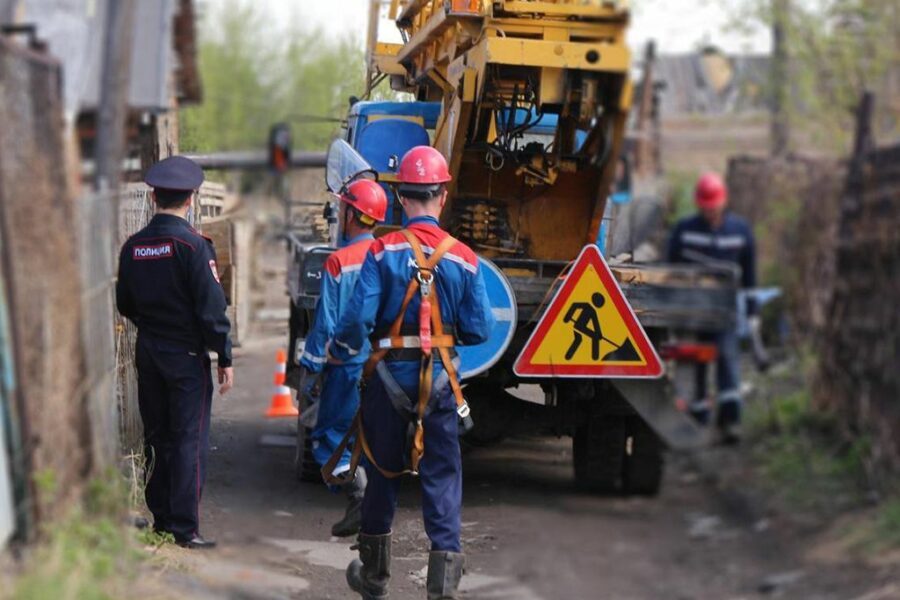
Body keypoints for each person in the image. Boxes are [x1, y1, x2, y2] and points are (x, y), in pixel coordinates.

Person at [327, 146, 494, 599]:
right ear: (442, 195)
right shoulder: (464, 259)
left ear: (401, 198)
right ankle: (441, 588)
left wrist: (341, 354)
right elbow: (479, 330)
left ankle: (376, 579)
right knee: (443, 476)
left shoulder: (381, 253)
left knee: (382, 471)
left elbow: (355, 322)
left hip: (385, 383)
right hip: (441, 384)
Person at [116, 155, 233, 549]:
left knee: (157, 435)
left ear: (152, 197)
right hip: (185, 356)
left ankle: (161, 518)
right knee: (188, 438)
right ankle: (185, 528)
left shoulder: (133, 247)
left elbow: (125, 304)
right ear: (191, 199)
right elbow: (212, 308)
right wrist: (224, 356)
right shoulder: (194, 247)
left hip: (148, 351)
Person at [298, 179, 388, 537]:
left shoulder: (339, 262)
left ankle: (357, 493)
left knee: (328, 438)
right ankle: (369, 508)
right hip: (385, 365)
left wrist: (310, 367)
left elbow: (327, 322)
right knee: (368, 438)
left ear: (352, 213)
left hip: (346, 366)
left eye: (343, 208)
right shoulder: (388, 256)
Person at [668, 172, 756, 444]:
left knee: (728, 362)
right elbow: (669, 272)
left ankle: (730, 421)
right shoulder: (685, 230)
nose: (710, 212)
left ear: (723, 202)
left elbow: (750, 277)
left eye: (714, 206)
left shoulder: (740, 232)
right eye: (706, 207)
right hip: (691, 313)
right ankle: (697, 416)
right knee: (693, 363)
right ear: (699, 204)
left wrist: (753, 314)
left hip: (724, 313)